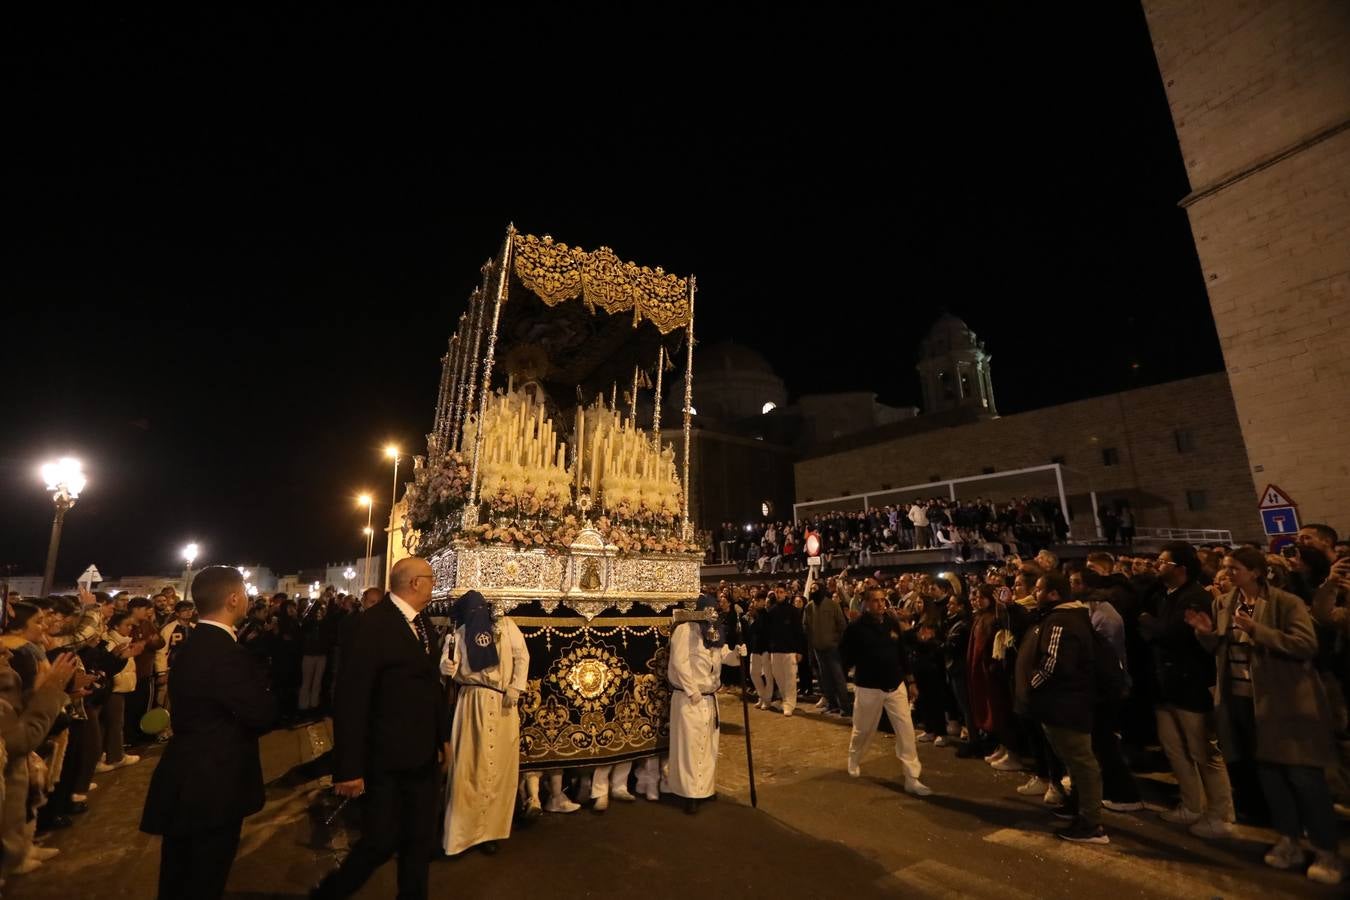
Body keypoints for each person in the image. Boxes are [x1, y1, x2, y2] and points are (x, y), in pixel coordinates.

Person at [1186, 547, 1343, 886]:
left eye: (1235, 568)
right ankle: (1289, 840)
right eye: (1226, 568)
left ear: (1256, 572)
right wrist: (1205, 634)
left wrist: (1258, 630)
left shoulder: (1285, 603)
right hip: (1243, 704)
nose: (1227, 574)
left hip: (1285, 704)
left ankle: (1327, 850)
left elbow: (1305, 644)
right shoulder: (1224, 602)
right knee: (1269, 776)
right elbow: (1222, 651)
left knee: (1303, 776)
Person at [140, 566, 278, 900]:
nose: (247, 598)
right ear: (233, 599)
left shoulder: (195, 643)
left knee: (178, 872)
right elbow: (261, 713)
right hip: (214, 782)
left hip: (187, 775)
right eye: (244, 592)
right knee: (204, 875)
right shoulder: (225, 654)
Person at [315, 557, 448, 900]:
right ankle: (329, 894)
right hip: (385, 757)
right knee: (379, 841)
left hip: (422, 757)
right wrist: (348, 768)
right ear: (414, 583)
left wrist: (442, 737)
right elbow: (351, 699)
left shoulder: (423, 624)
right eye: (431, 578)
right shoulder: (371, 625)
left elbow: (431, 687)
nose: (435, 584)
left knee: (420, 840)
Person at [1139, 543, 1233, 834]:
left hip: (1189, 685)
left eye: (1163, 562)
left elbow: (1172, 634)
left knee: (1204, 752)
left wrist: (1148, 624)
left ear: (1181, 569)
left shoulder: (1194, 597)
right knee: (1175, 751)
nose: (1157, 565)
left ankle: (1221, 813)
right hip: (1164, 687)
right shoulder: (1163, 595)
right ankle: (1191, 805)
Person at [1021, 572, 1107, 844]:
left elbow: (1054, 663)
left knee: (1081, 762)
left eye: (1038, 589)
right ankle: (1078, 806)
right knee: (1072, 759)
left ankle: (1091, 823)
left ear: (1054, 594)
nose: (1035, 594)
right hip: (1065, 702)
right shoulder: (1069, 617)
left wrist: (1031, 684)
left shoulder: (1061, 620)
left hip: (1066, 703)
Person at [440, 590, 528, 853]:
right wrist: (446, 666)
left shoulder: (506, 626)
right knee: (469, 768)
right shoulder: (459, 633)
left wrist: (516, 686)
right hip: (472, 704)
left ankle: (491, 831)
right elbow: (449, 660)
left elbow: (521, 656)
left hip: (503, 704)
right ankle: (462, 835)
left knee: (499, 769)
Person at [840, 588, 931, 795]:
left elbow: (901, 653)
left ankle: (912, 777)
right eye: (875, 601)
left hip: (895, 684)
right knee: (863, 729)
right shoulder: (855, 627)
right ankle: (854, 758)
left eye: (882, 600)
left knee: (906, 731)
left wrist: (910, 680)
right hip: (868, 687)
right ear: (866, 603)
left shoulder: (891, 623)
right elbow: (844, 655)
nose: (880, 604)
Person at [666, 595, 746, 814]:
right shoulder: (686, 631)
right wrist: (693, 692)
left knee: (708, 746)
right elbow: (680, 662)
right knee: (690, 747)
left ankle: (704, 789)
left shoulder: (715, 632)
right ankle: (689, 792)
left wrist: (738, 654)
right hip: (690, 698)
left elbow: (722, 656)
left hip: (709, 698)